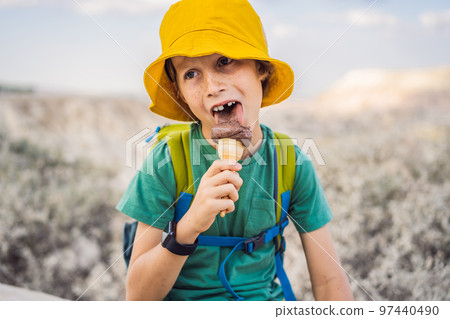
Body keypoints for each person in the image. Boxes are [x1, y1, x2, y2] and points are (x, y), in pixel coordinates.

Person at [116, 0, 353, 301]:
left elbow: (330, 279)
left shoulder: (292, 163)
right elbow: (137, 297)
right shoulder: (165, 162)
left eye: (225, 61)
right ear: (179, 92)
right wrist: (189, 226)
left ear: (261, 69)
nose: (212, 86)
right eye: (191, 73)